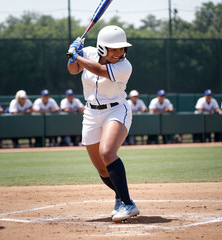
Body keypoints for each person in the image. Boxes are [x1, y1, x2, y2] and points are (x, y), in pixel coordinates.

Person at [67, 25, 139, 222]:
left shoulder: (125, 66)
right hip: (91, 112)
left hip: (116, 110)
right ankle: (120, 197)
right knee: (101, 168)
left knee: (107, 152)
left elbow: (99, 70)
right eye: (113, 48)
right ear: (101, 48)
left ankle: (128, 204)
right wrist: (74, 56)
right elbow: (73, 70)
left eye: (122, 48)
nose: (119, 53)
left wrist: (76, 55)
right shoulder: (88, 52)